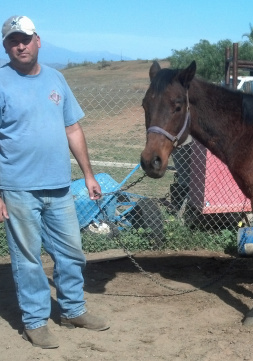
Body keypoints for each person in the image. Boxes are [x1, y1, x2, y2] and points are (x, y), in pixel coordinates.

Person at [0, 15, 109, 349]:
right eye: (13, 40)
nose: (20, 45)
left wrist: (88, 175)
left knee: (71, 251)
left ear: (38, 41)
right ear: (6, 46)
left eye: (26, 39)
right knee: (28, 258)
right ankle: (34, 320)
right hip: (17, 188)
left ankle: (73, 309)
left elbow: (72, 128)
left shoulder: (56, 80)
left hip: (59, 186)